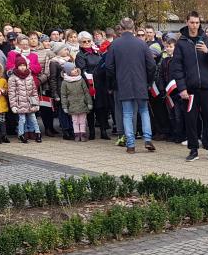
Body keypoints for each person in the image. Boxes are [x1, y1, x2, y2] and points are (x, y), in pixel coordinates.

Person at [170, 11, 208, 161]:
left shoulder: (206, 39)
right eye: (192, 22)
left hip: (206, 87)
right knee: (191, 120)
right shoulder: (181, 42)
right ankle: (193, 149)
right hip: (190, 89)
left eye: (197, 23)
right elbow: (177, 67)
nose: (194, 25)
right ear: (187, 22)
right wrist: (182, 88)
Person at [105, 17, 157, 154]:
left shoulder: (115, 44)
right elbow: (152, 65)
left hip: (123, 83)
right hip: (141, 82)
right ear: (133, 29)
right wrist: (148, 81)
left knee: (127, 114)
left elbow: (109, 67)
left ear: (120, 29)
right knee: (144, 111)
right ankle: (147, 139)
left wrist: (115, 81)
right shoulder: (142, 44)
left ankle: (131, 144)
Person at [75, 31, 102, 140]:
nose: (86, 43)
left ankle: (103, 131)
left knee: (101, 108)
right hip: (88, 84)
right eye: (84, 41)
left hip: (100, 83)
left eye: (88, 41)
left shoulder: (97, 52)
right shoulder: (80, 55)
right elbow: (82, 69)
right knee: (90, 108)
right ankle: (91, 132)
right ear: (80, 43)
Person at [8, 57, 42, 143]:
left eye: (24, 65)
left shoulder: (29, 76)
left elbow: (34, 91)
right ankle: (21, 134)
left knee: (33, 118)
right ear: (16, 66)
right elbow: (12, 93)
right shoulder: (13, 78)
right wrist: (13, 105)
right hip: (20, 103)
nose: (22, 67)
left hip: (30, 102)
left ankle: (38, 133)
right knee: (22, 119)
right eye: (20, 65)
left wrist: (36, 103)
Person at [60, 61, 93, 142]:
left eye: (75, 68)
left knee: (82, 120)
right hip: (72, 105)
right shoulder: (65, 82)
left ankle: (83, 135)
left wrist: (89, 103)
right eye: (72, 69)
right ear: (68, 72)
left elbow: (86, 92)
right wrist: (64, 106)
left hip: (82, 103)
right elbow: (63, 95)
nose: (75, 70)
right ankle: (77, 135)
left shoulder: (81, 80)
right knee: (75, 121)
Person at [48, 42, 74, 140]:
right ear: (58, 51)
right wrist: (55, 93)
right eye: (64, 49)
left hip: (70, 89)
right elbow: (53, 78)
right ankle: (66, 130)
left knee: (70, 110)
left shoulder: (70, 60)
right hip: (61, 89)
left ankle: (72, 129)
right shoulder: (54, 62)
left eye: (67, 49)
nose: (67, 51)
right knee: (63, 111)